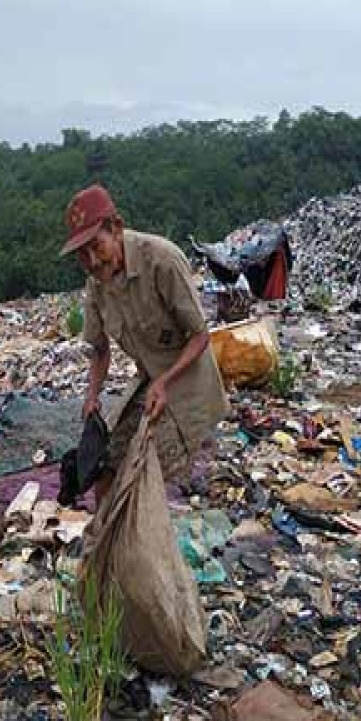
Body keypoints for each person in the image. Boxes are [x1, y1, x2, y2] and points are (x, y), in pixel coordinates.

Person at [61, 184, 229, 502]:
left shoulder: (162, 261)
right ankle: (105, 541)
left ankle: (143, 543)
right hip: (150, 380)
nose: (93, 261)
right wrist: (92, 396)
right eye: (82, 254)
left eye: (97, 247)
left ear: (117, 228)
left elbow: (199, 335)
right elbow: (99, 349)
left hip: (187, 381)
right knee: (106, 461)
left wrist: (165, 382)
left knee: (147, 472)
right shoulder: (97, 284)